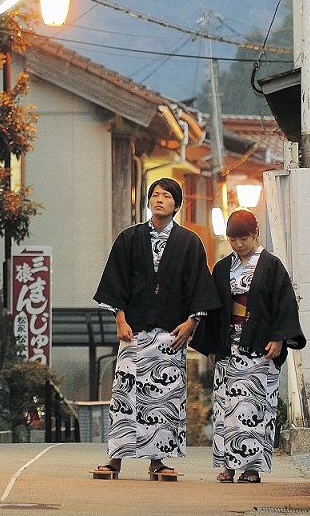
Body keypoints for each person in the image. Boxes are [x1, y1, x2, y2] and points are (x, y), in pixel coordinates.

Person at [91, 177, 221, 481]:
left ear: (176, 204)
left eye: (166, 196)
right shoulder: (129, 238)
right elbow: (115, 281)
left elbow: (199, 286)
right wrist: (120, 319)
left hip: (171, 334)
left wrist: (193, 322)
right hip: (134, 330)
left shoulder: (189, 243)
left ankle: (158, 461)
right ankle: (115, 459)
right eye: (155, 195)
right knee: (126, 393)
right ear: (148, 201)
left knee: (164, 399)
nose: (159, 199)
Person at [195, 209, 305, 483]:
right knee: (225, 408)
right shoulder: (222, 268)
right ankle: (227, 466)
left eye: (243, 238)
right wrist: (211, 345)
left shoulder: (271, 266)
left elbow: (284, 304)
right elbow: (213, 309)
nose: (238, 244)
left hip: (259, 346)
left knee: (254, 409)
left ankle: (252, 468)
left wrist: (279, 337)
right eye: (233, 239)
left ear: (255, 234)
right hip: (227, 348)